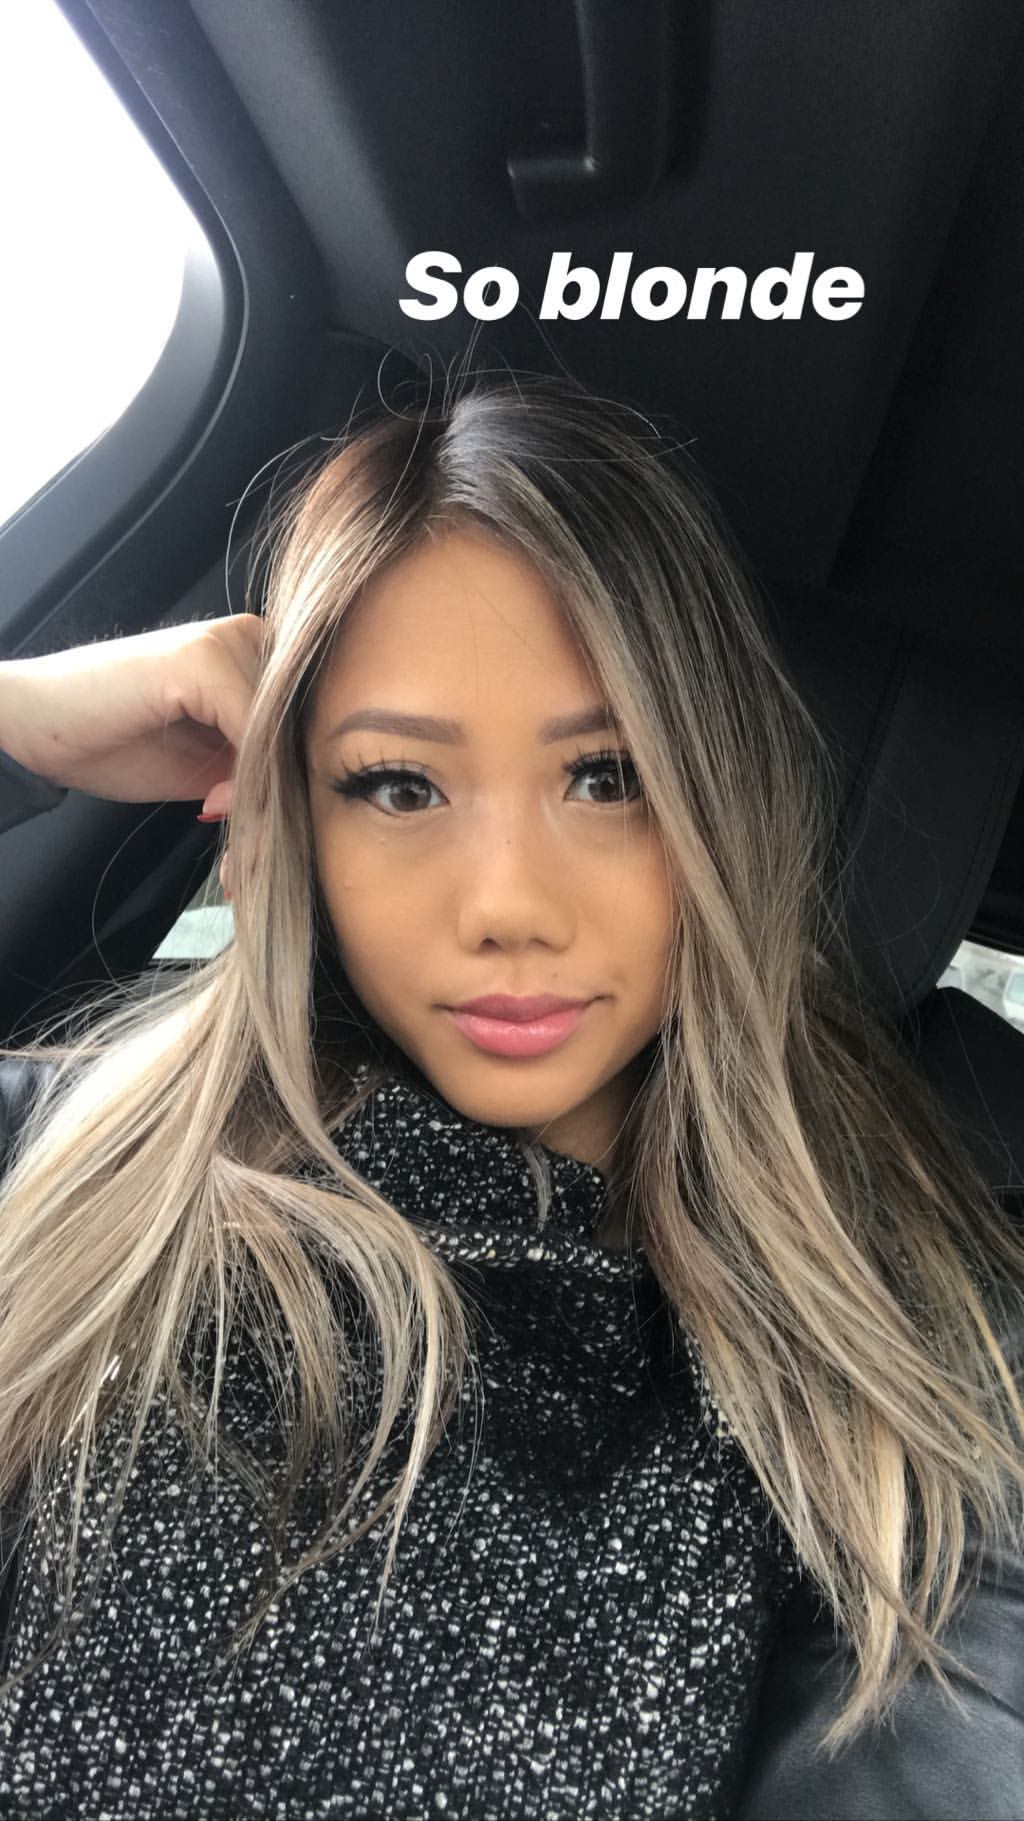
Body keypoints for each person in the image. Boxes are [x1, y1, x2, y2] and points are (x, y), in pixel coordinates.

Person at [0, 372, 1021, 1819]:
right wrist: (20, 715)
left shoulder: (917, 1340)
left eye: (606, 776)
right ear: (292, 818)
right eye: (398, 786)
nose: (507, 908)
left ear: (719, 795)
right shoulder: (63, 1164)